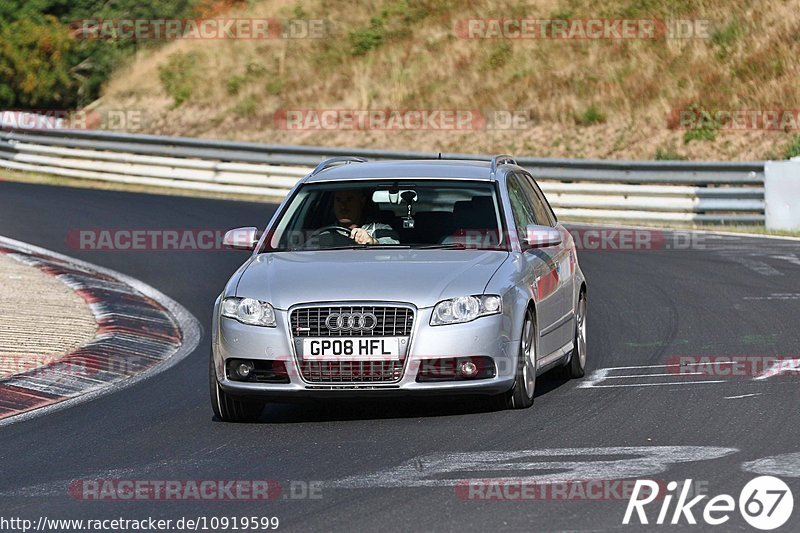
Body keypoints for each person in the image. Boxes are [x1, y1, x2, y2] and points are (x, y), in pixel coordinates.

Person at [332, 189, 399, 245]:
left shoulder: (379, 230)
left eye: (349, 200)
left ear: (362, 201)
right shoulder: (324, 234)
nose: (343, 206)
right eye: (338, 200)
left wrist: (373, 242)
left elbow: (393, 245)